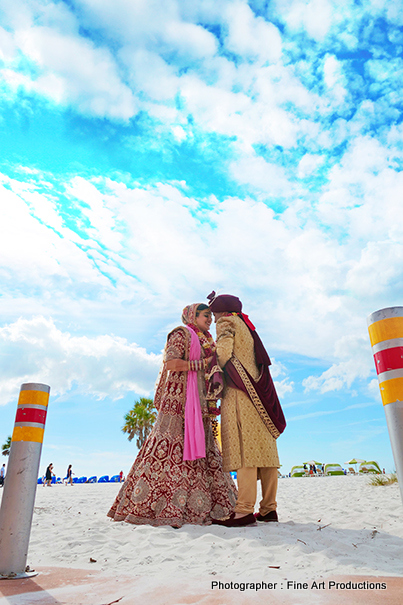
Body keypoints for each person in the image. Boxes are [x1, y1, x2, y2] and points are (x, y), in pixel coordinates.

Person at [107, 303, 237, 527]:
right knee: (171, 447)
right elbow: (171, 364)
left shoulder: (207, 340)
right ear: (192, 316)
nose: (209, 320)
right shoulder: (181, 334)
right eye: (206, 316)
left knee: (205, 449)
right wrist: (203, 364)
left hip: (201, 402)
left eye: (210, 317)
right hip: (178, 402)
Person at [207, 292, 286, 528]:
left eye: (213, 313)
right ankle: (269, 509)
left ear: (221, 311)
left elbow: (223, 353)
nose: (213, 318)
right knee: (266, 454)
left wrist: (207, 365)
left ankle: (243, 511)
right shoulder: (247, 326)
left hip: (240, 393)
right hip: (259, 396)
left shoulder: (227, 322)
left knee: (245, 452)